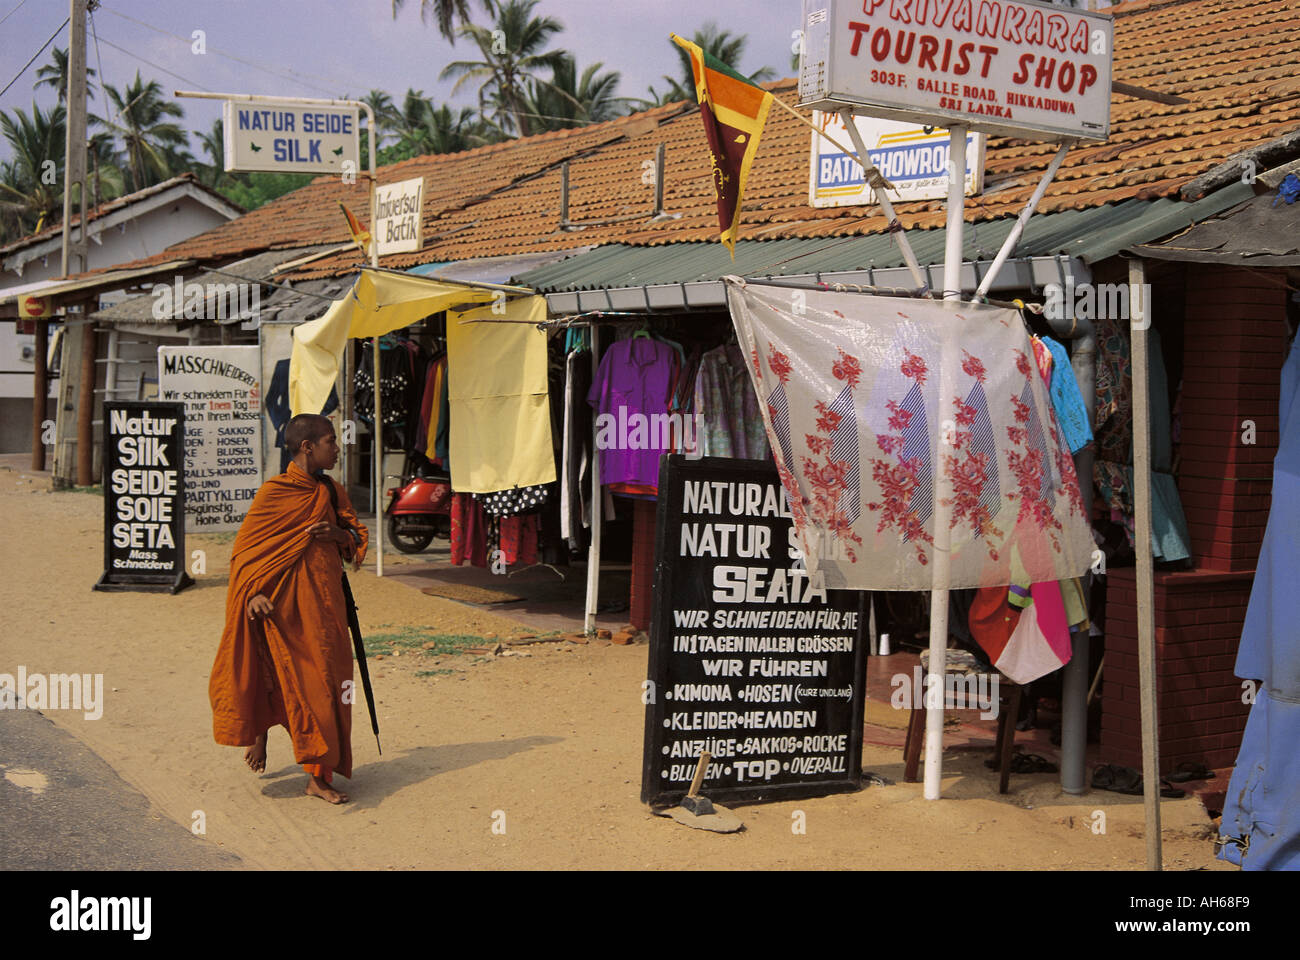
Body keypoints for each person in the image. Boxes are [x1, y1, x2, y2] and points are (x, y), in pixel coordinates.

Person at [209, 413, 368, 804]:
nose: (337, 448)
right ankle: (278, 746)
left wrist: (338, 534)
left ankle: (318, 772)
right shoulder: (273, 494)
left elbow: (356, 535)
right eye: (331, 441)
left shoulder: (330, 490)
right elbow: (244, 556)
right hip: (281, 610)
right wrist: (251, 595)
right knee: (280, 677)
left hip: (324, 610)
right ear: (307, 446)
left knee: (327, 685)